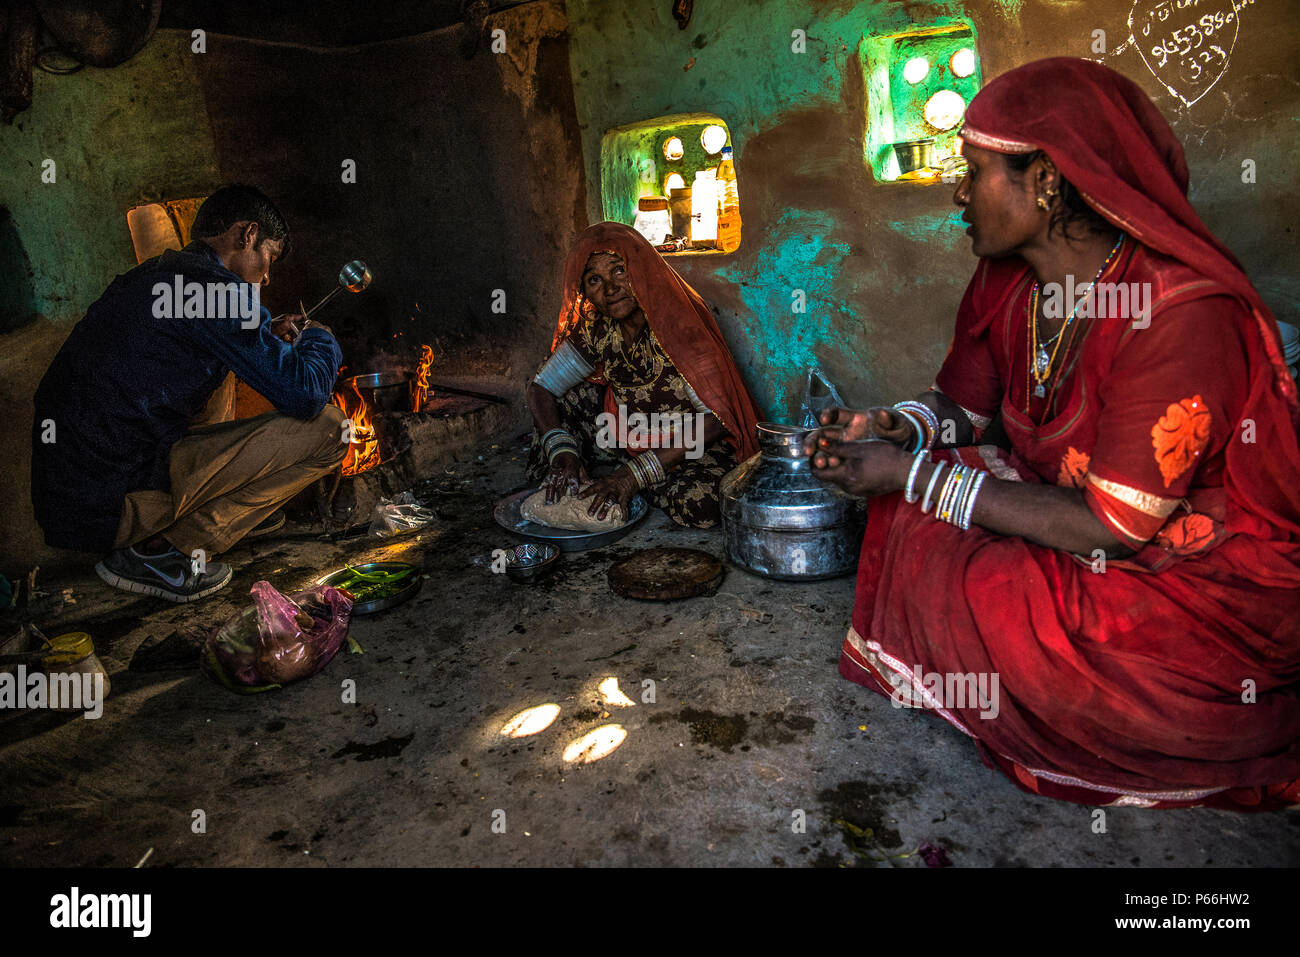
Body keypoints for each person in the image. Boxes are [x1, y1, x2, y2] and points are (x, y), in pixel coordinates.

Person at [805, 58, 1300, 810]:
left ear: (1045, 180)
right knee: (910, 516)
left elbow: (1117, 528)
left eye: (974, 172)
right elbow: (963, 410)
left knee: (1012, 599)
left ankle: (1073, 712)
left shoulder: (1180, 313)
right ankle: (994, 679)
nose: (957, 194)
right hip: (1063, 503)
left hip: (1183, 569)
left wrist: (907, 472)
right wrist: (892, 427)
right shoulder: (1007, 276)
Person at [31, 184, 346, 602]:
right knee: (331, 430)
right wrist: (320, 340)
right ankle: (166, 551)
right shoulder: (217, 292)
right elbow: (306, 394)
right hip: (114, 501)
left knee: (223, 382)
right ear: (247, 234)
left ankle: (180, 529)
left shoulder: (156, 276)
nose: (267, 277)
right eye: (268, 257)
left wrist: (259, 338)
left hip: (77, 495)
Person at [525, 221, 759, 528]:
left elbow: (716, 417)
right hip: (625, 437)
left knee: (705, 504)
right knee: (560, 417)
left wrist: (633, 476)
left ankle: (625, 482)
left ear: (642, 269)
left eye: (619, 270)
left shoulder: (677, 325)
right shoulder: (597, 328)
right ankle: (602, 476)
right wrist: (562, 452)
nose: (610, 289)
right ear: (584, 291)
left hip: (683, 446)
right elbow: (541, 388)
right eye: (594, 279)